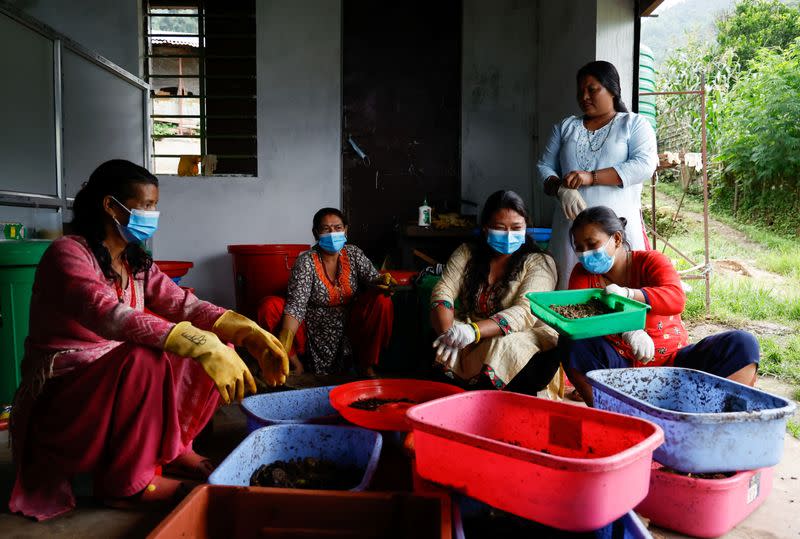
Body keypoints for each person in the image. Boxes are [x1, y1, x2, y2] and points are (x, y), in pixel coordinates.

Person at [9, 160, 289, 520]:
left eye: (155, 206)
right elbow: (110, 316)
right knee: (147, 356)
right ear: (111, 206)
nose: (153, 214)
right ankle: (126, 484)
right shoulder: (68, 254)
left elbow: (183, 304)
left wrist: (245, 331)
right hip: (65, 400)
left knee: (212, 346)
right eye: (145, 206)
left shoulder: (134, 262)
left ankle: (174, 448)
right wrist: (196, 342)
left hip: (113, 386)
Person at [560, 206, 760, 406]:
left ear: (617, 239)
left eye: (592, 244)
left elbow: (675, 298)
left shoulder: (651, 261)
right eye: (579, 247)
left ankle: (722, 415)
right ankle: (612, 414)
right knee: (571, 342)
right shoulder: (582, 274)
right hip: (619, 367)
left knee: (742, 343)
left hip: (672, 362)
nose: (585, 254)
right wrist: (629, 331)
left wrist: (630, 294)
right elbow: (581, 319)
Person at [538, 60, 659, 288]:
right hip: (571, 232)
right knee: (569, 289)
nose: (584, 96)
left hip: (615, 232)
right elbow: (544, 167)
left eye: (592, 89)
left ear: (612, 89)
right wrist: (561, 189)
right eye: (580, 90)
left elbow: (644, 165)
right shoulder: (565, 127)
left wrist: (590, 177)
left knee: (621, 294)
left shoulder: (633, 124)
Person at [429, 190, 563, 397]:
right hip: (469, 331)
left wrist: (472, 332)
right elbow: (443, 290)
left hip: (525, 336)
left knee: (504, 344)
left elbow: (525, 311)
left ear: (526, 226)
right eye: (500, 229)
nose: (509, 235)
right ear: (485, 228)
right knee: (437, 334)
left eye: (516, 228)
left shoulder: (540, 262)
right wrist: (450, 335)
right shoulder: (467, 253)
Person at [258, 208, 395, 377]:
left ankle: (366, 366)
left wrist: (382, 283)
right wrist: (285, 342)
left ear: (346, 230)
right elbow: (296, 306)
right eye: (326, 229)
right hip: (313, 327)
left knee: (382, 300)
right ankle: (295, 365)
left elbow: (373, 279)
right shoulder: (306, 262)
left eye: (337, 228)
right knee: (270, 306)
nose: (332, 233)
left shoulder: (353, 253)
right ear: (316, 233)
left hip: (350, 325)